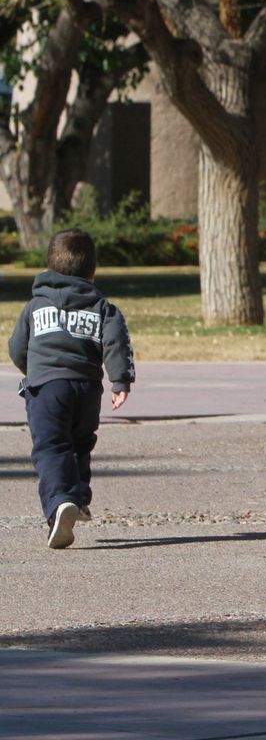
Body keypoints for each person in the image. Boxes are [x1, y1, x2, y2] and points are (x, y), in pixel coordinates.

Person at [8, 228, 135, 550]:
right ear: (92, 272)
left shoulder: (36, 307)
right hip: (87, 388)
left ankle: (60, 504)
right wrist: (120, 380)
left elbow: (16, 347)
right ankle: (78, 496)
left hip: (46, 388)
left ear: (50, 267)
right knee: (80, 442)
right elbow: (116, 342)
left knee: (50, 447)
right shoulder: (103, 307)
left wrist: (34, 370)